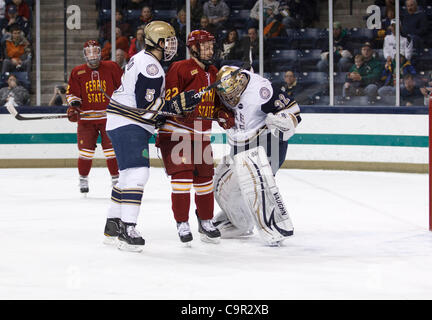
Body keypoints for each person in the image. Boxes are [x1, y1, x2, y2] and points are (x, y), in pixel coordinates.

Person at [103, 21, 202, 252]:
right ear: (156, 42)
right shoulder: (152, 68)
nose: (170, 46)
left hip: (121, 122)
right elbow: (146, 108)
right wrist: (175, 105)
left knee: (128, 174)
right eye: (167, 41)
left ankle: (113, 224)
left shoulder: (143, 59)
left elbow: (148, 107)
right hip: (129, 123)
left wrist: (165, 109)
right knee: (138, 173)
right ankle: (128, 228)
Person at [156, 30, 232, 244]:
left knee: (205, 181)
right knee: (182, 180)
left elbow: (216, 105)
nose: (210, 49)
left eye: (211, 45)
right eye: (205, 45)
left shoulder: (214, 71)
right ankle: (182, 222)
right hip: (177, 131)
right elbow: (170, 102)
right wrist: (180, 104)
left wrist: (223, 115)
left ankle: (206, 221)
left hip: (201, 133)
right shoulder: (179, 68)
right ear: (194, 48)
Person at [212, 65, 301, 246]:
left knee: (255, 183)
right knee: (222, 185)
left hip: (266, 144)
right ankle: (238, 220)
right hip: (238, 144)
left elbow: (294, 112)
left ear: (240, 83)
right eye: (225, 95)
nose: (230, 98)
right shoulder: (222, 87)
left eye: (232, 93)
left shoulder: (261, 90)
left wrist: (282, 121)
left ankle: (275, 227)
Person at [65, 40, 123, 195]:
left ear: (100, 52)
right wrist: (74, 106)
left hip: (109, 118)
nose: (93, 55)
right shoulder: (77, 72)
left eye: (95, 51)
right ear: (85, 55)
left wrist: (122, 105)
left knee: (111, 151)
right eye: (89, 52)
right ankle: (83, 178)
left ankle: (116, 179)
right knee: (85, 153)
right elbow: (71, 93)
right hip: (86, 120)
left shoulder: (112, 67)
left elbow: (123, 88)